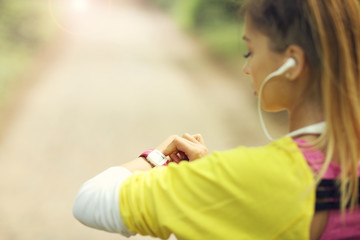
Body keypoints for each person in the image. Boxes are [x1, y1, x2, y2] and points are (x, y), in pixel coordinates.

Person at [72, 0, 360, 239]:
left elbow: (90, 199)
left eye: (251, 50)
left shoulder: (251, 177)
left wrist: (157, 158)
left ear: (292, 63)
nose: (247, 67)